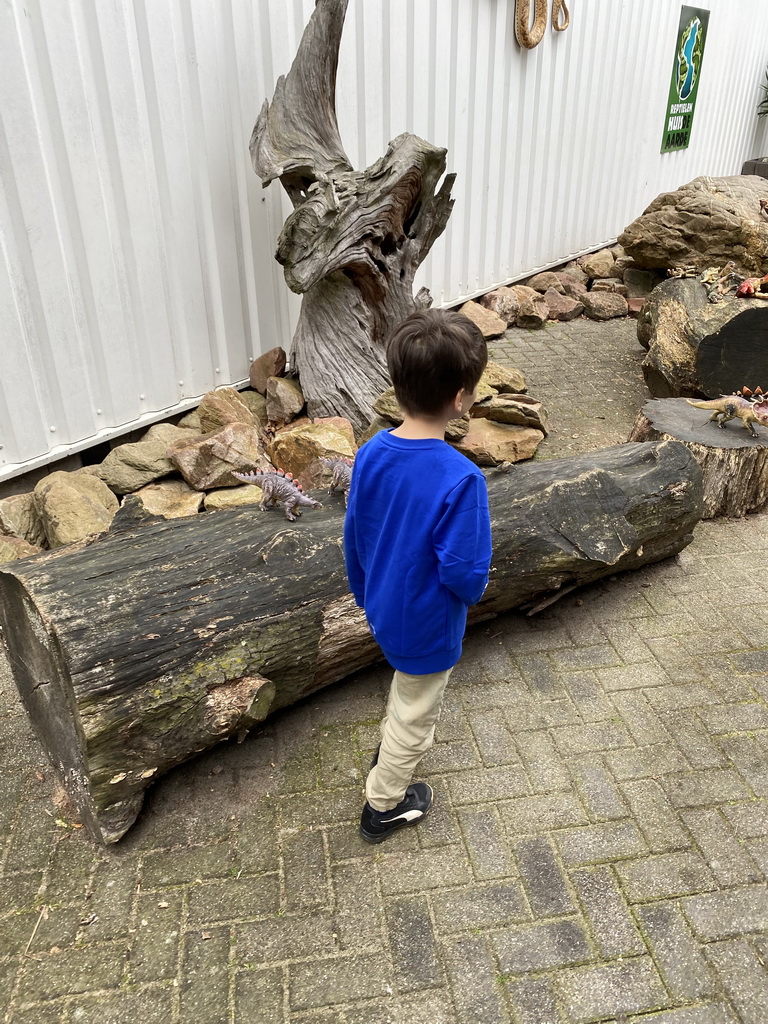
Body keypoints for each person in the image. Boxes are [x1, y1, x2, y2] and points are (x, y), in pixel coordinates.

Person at [343, 308, 493, 843]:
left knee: (406, 692)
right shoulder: (462, 479)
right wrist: (474, 592)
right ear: (459, 398)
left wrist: (364, 589)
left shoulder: (370, 454)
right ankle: (383, 805)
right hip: (427, 623)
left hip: (382, 603)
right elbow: (465, 571)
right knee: (416, 713)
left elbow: (355, 532)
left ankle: (389, 749)